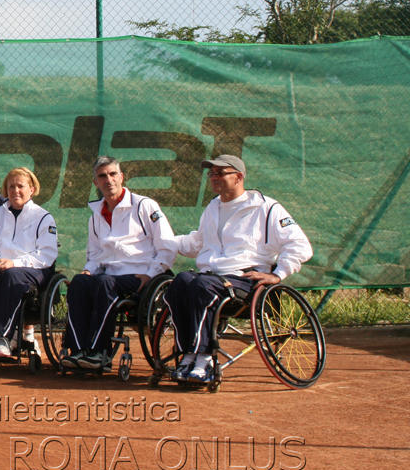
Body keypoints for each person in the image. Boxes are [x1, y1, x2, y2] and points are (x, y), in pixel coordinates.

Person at [165, 155, 312, 383]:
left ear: (239, 177)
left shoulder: (267, 208)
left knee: (202, 285)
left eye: (220, 173)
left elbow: (300, 245)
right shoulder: (213, 207)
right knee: (181, 281)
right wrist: (161, 241)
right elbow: (197, 243)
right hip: (210, 277)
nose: (213, 178)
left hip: (245, 279)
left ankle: (204, 358)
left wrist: (277, 274)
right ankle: (188, 354)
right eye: (211, 174)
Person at [61, 156, 176, 370]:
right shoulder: (95, 216)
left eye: (113, 174)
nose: (108, 180)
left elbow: (167, 247)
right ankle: (78, 351)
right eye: (102, 176)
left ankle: (99, 353)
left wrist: (150, 275)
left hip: (141, 276)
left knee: (105, 283)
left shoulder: (144, 206)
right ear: (96, 182)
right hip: (108, 276)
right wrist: (87, 271)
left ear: (121, 177)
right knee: (78, 282)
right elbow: (95, 255)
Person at [0, 168, 58, 358]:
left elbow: (47, 255)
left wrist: (15, 263)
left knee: (12, 275)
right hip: (0, 268)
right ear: (5, 190)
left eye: (20, 186)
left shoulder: (44, 217)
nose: (15, 191)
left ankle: (4, 337)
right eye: (11, 187)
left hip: (32, 271)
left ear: (31, 189)